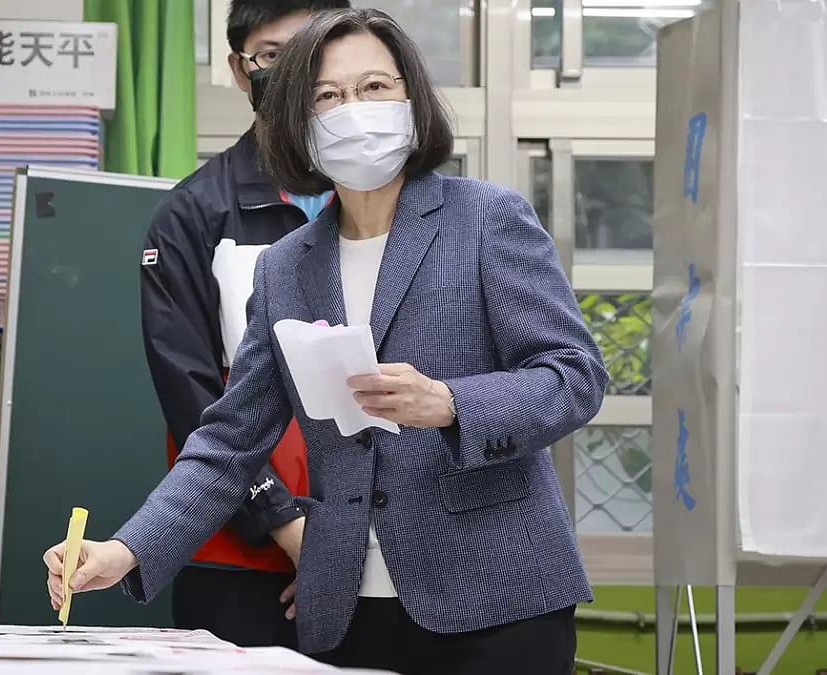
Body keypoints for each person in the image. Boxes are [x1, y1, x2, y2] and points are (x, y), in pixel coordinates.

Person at [45, 7, 608, 674]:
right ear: (299, 122)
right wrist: (128, 549)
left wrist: (451, 401)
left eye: (375, 87)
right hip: (345, 605)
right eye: (327, 96)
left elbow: (573, 376)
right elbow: (229, 440)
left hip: (497, 601)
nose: (354, 110)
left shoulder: (485, 219)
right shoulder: (286, 266)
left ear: (413, 100)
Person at [137, 0, 350, 651]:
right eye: (272, 55)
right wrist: (286, 525)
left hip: (379, 554)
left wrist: (352, 542)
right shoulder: (192, 215)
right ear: (238, 67)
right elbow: (192, 394)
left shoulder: (391, 202)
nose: (295, 73)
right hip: (238, 555)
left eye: (315, 50)